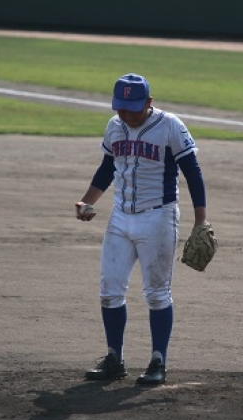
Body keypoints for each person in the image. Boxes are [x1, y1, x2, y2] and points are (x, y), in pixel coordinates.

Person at [75, 73, 208, 385]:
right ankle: (114, 359)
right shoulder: (114, 126)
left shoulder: (170, 126)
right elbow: (107, 168)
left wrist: (200, 220)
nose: (127, 115)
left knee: (157, 293)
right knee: (110, 290)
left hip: (158, 217)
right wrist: (87, 201)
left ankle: (158, 361)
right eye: (121, 109)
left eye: (133, 109)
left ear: (149, 102)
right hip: (120, 217)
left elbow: (193, 172)